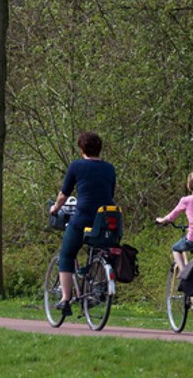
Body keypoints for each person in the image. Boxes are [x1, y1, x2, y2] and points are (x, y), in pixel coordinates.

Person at [49, 131, 116, 316]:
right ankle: (98, 283)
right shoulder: (109, 168)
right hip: (105, 218)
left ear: (81, 149)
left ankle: (65, 299)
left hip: (83, 216)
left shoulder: (76, 166)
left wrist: (55, 208)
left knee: (67, 255)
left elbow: (64, 194)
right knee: (101, 248)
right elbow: (110, 193)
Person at [156, 172, 193, 272]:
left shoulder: (186, 200)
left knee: (176, 249)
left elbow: (171, 217)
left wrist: (161, 220)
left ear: (189, 186)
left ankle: (184, 273)